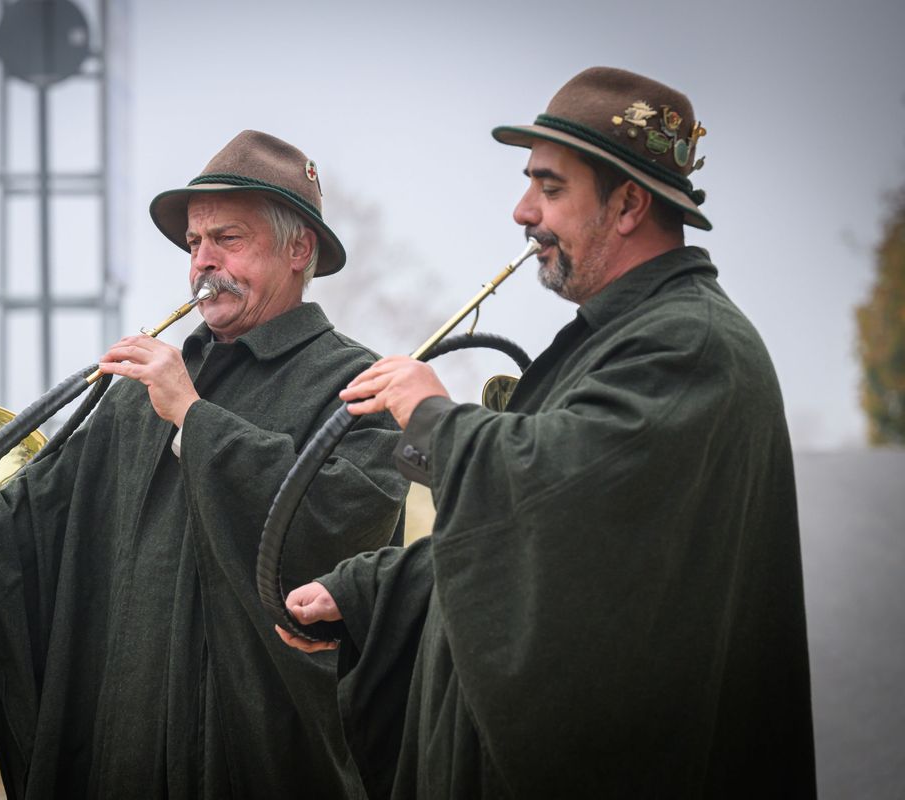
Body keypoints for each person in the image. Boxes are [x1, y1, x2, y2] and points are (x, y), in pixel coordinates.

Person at [279, 67, 817, 797]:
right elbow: (542, 543)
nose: (522, 211)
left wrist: (434, 414)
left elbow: (556, 496)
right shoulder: (624, 334)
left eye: (550, 187)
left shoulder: (691, 344)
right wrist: (372, 592)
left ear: (628, 204)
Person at [0, 130, 409, 798]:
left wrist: (196, 420)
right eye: (194, 244)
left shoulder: (358, 382)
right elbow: (34, 513)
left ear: (297, 248)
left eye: (228, 239)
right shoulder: (140, 390)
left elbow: (345, 528)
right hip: (120, 745)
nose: (203, 262)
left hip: (264, 759)